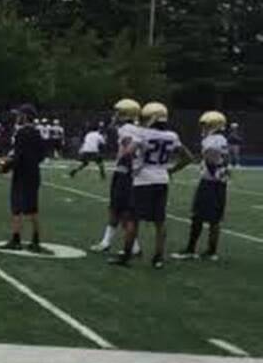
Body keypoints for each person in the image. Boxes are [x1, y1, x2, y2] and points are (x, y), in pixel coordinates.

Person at [111, 102, 193, 269]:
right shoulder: (172, 136)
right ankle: (158, 258)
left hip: (143, 180)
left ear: (152, 118)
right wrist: (171, 170)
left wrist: (133, 162)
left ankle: (126, 255)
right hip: (162, 179)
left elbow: (128, 152)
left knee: (133, 218)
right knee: (159, 221)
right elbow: (188, 157)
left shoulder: (143, 133)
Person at [174, 111, 231, 262]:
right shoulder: (222, 139)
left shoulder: (211, 140)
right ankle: (212, 252)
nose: (203, 128)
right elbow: (223, 159)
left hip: (210, 182)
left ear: (213, 125)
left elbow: (211, 160)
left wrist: (211, 171)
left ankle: (190, 249)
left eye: (206, 125)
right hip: (221, 182)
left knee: (197, 216)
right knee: (215, 220)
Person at [93, 100, 143, 255]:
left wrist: (124, 159)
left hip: (124, 173)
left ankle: (108, 242)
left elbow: (129, 147)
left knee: (119, 209)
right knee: (122, 210)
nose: (116, 115)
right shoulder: (136, 128)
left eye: (119, 112)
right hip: (131, 173)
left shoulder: (127, 129)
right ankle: (133, 247)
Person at [0, 104, 48, 253]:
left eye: (19, 115)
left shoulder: (21, 133)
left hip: (22, 175)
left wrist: (4, 167)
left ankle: (17, 240)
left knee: (18, 208)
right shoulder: (37, 133)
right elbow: (41, 155)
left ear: (25, 116)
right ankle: (34, 240)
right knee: (30, 209)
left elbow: (18, 156)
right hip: (33, 173)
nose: (17, 117)